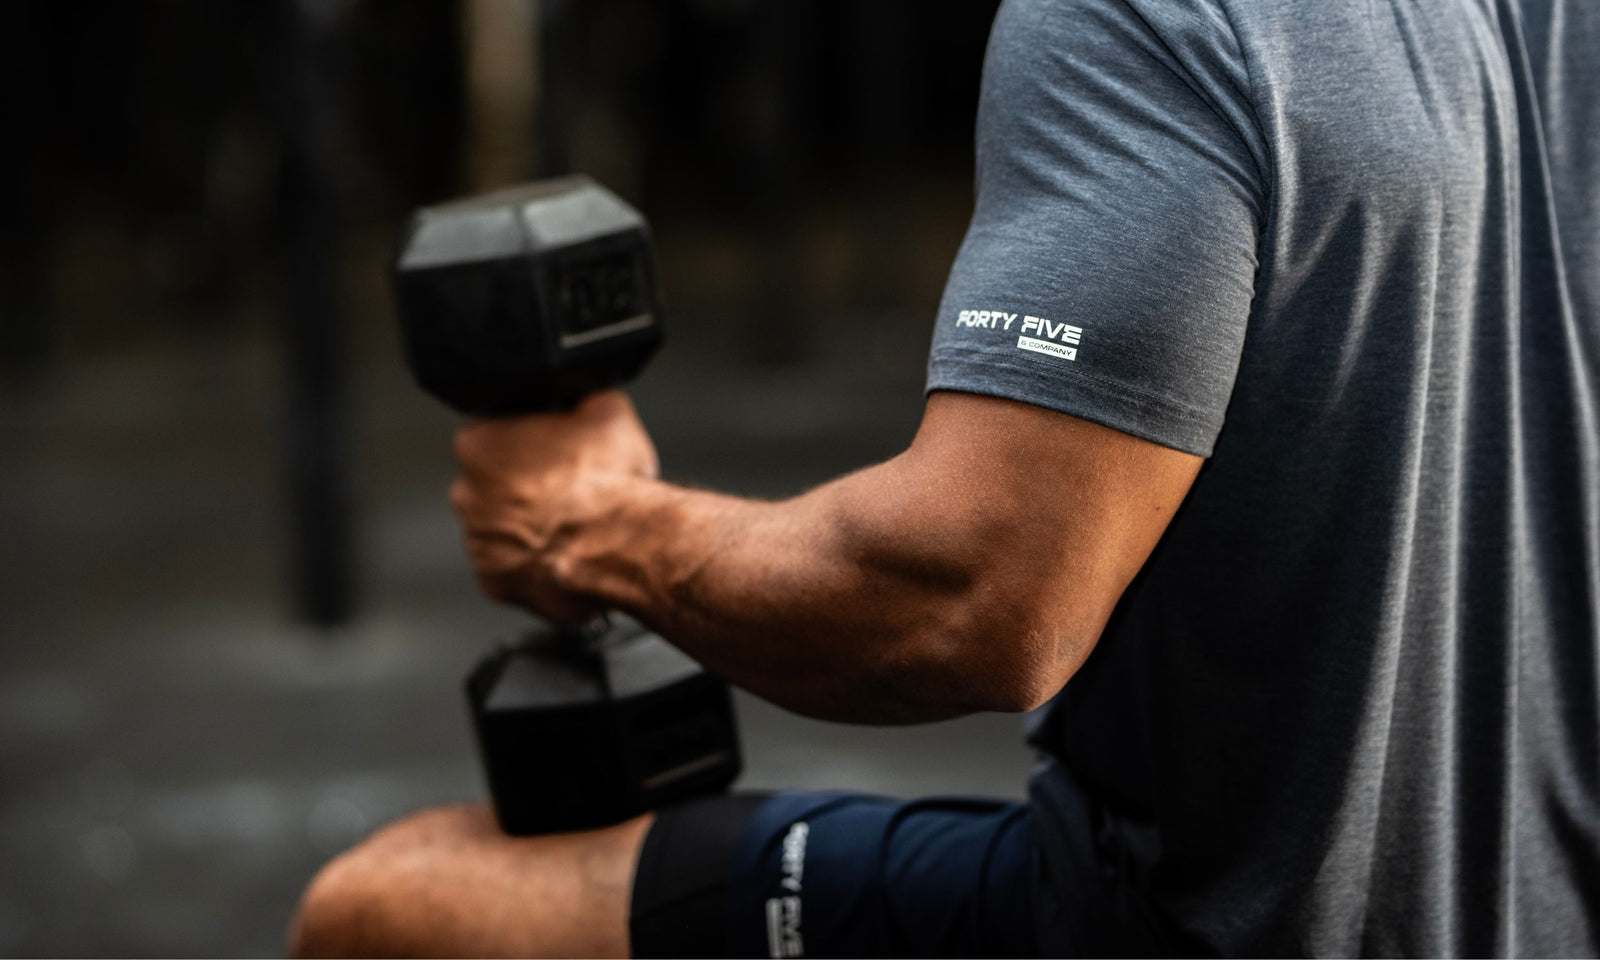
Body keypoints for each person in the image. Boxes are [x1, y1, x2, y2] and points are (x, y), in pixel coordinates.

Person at [289, 0, 1598, 955]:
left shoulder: (1144, 21)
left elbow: (969, 603)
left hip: (1202, 928)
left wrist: (592, 529)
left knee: (391, 909)